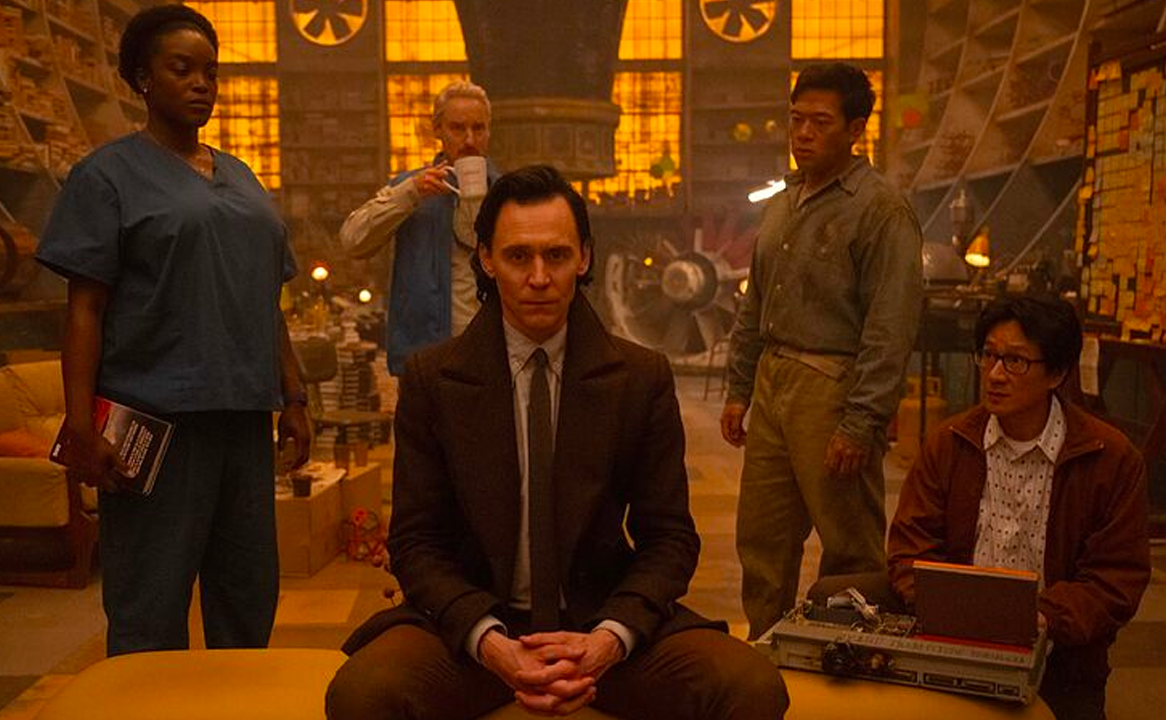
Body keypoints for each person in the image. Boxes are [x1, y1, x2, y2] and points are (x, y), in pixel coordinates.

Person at [326, 165, 788, 720]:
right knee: (363, 693)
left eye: (557, 255)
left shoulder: (640, 377)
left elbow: (669, 539)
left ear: (584, 258)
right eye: (518, 256)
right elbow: (416, 542)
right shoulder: (433, 379)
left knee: (751, 685)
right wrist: (490, 644)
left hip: (600, 619)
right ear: (486, 259)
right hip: (473, 630)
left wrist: (610, 639)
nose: (539, 277)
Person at [35, 4, 311, 656]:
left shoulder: (241, 177)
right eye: (181, 69)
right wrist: (80, 422)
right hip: (155, 422)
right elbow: (85, 309)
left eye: (210, 73)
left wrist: (295, 396)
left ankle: (239, 701)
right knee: (150, 603)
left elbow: (266, 299)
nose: (201, 85)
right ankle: (143, 700)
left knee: (247, 597)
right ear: (142, 78)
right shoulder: (107, 176)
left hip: (244, 419)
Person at [720, 62, 924, 637]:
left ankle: (847, 656)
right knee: (762, 537)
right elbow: (756, 303)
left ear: (855, 129)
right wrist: (739, 388)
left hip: (832, 388)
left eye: (819, 122)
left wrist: (861, 422)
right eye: (795, 119)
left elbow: (890, 327)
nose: (803, 133)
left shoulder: (880, 210)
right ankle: (765, 648)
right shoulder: (784, 202)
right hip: (774, 381)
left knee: (849, 543)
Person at [881, 294, 1148, 720]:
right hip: (953, 642)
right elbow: (910, 546)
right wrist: (945, 608)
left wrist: (1038, 617)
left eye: (1016, 361)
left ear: (1056, 373)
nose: (995, 375)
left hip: (1059, 658)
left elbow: (1115, 579)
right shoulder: (950, 443)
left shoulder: (1110, 458)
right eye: (988, 355)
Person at [340, 80, 497, 375]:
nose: (469, 140)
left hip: (491, 358)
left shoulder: (507, 193)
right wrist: (410, 193)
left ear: (489, 131)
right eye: (457, 128)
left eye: (478, 128)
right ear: (438, 130)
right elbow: (353, 240)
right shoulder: (411, 188)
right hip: (424, 360)